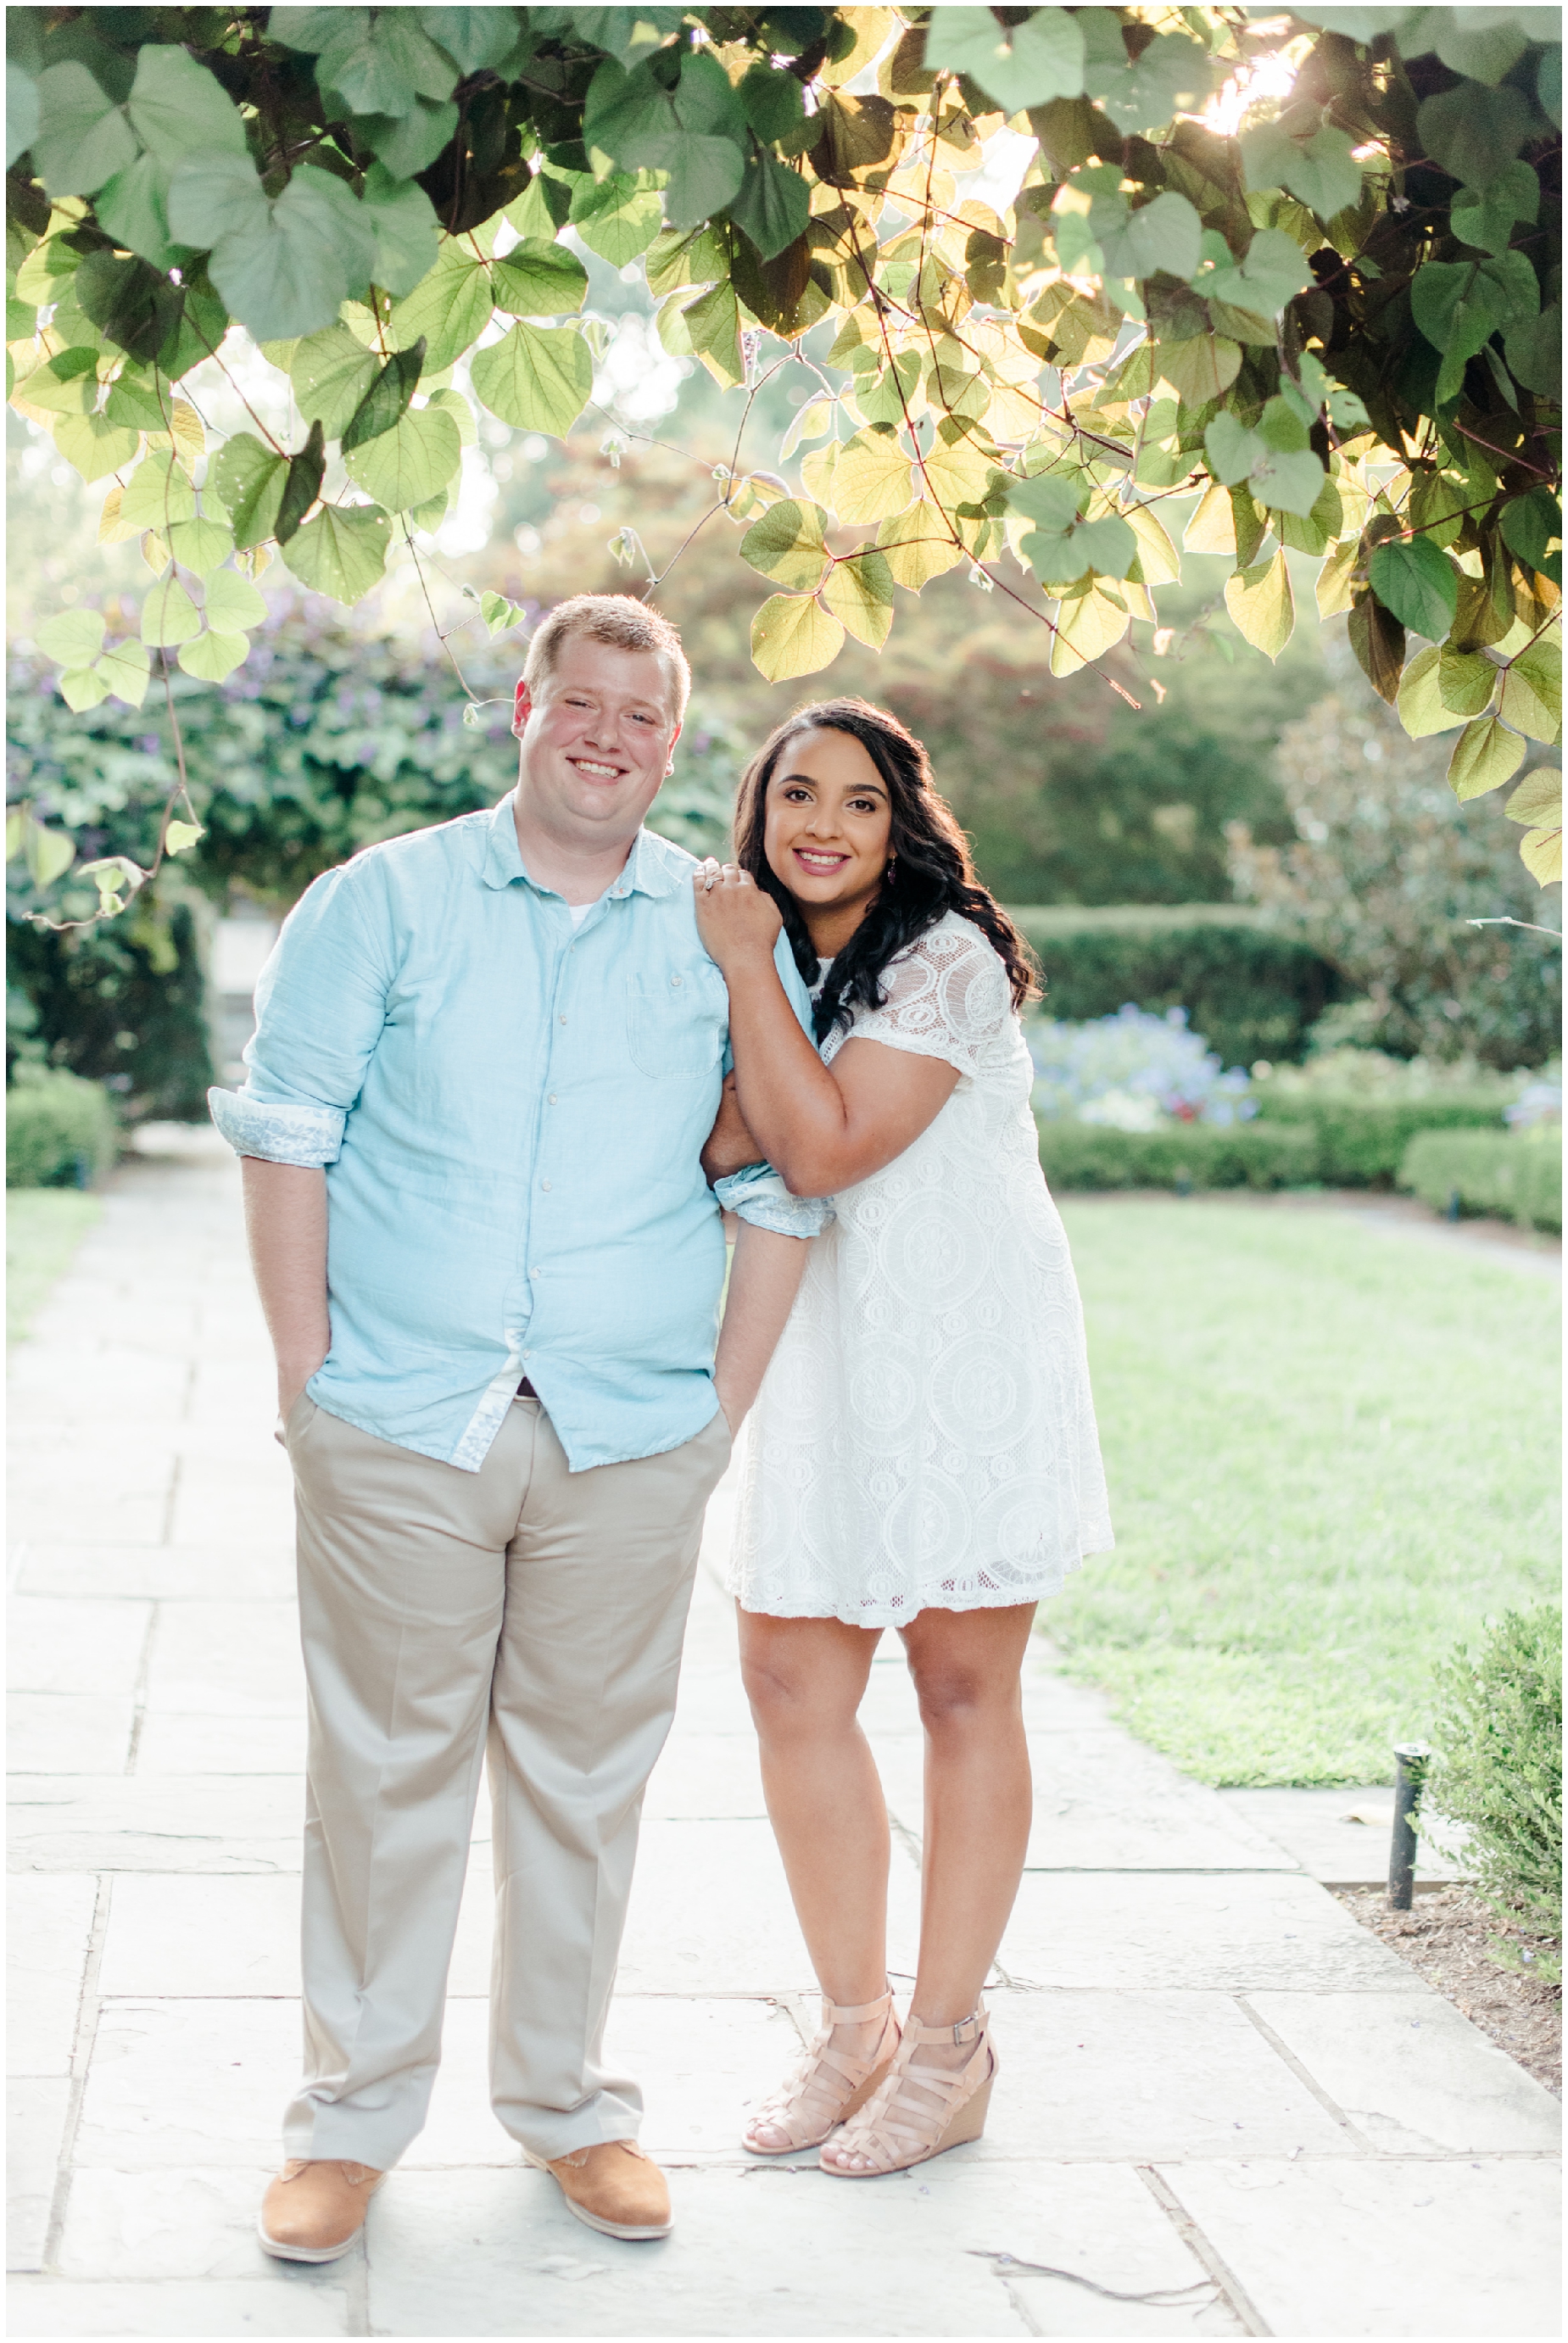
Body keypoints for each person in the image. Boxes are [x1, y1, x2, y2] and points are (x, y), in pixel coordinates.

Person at [209, 595, 823, 2261]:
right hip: (401, 1417)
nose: (608, 734)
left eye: (643, 713)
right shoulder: (384, 900)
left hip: (629, 1436)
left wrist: (719, 1414)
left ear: (673, 741)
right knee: (385, 1775)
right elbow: (285, 1131)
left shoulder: (718, 926)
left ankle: (566, 2107)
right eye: (583, 701)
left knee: (583, 1781)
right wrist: (303, 1377)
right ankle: (345, 2128)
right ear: (525, 706)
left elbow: (776, 1179)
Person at [692, 699, 1113, 2178]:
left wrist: (745, 988)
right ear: (755, 814)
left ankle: (948, 2052)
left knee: (954, 1684)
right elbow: (708, 1136)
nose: (820, 824)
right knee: (788, 1674)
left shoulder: (944, 960)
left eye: (857, 801)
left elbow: (802, 1144)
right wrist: (755, 1007)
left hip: (958, 1357)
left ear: (901, 822)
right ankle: (853, 2026)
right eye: (793, 794)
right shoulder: (765, 954)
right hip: (814, 1359)